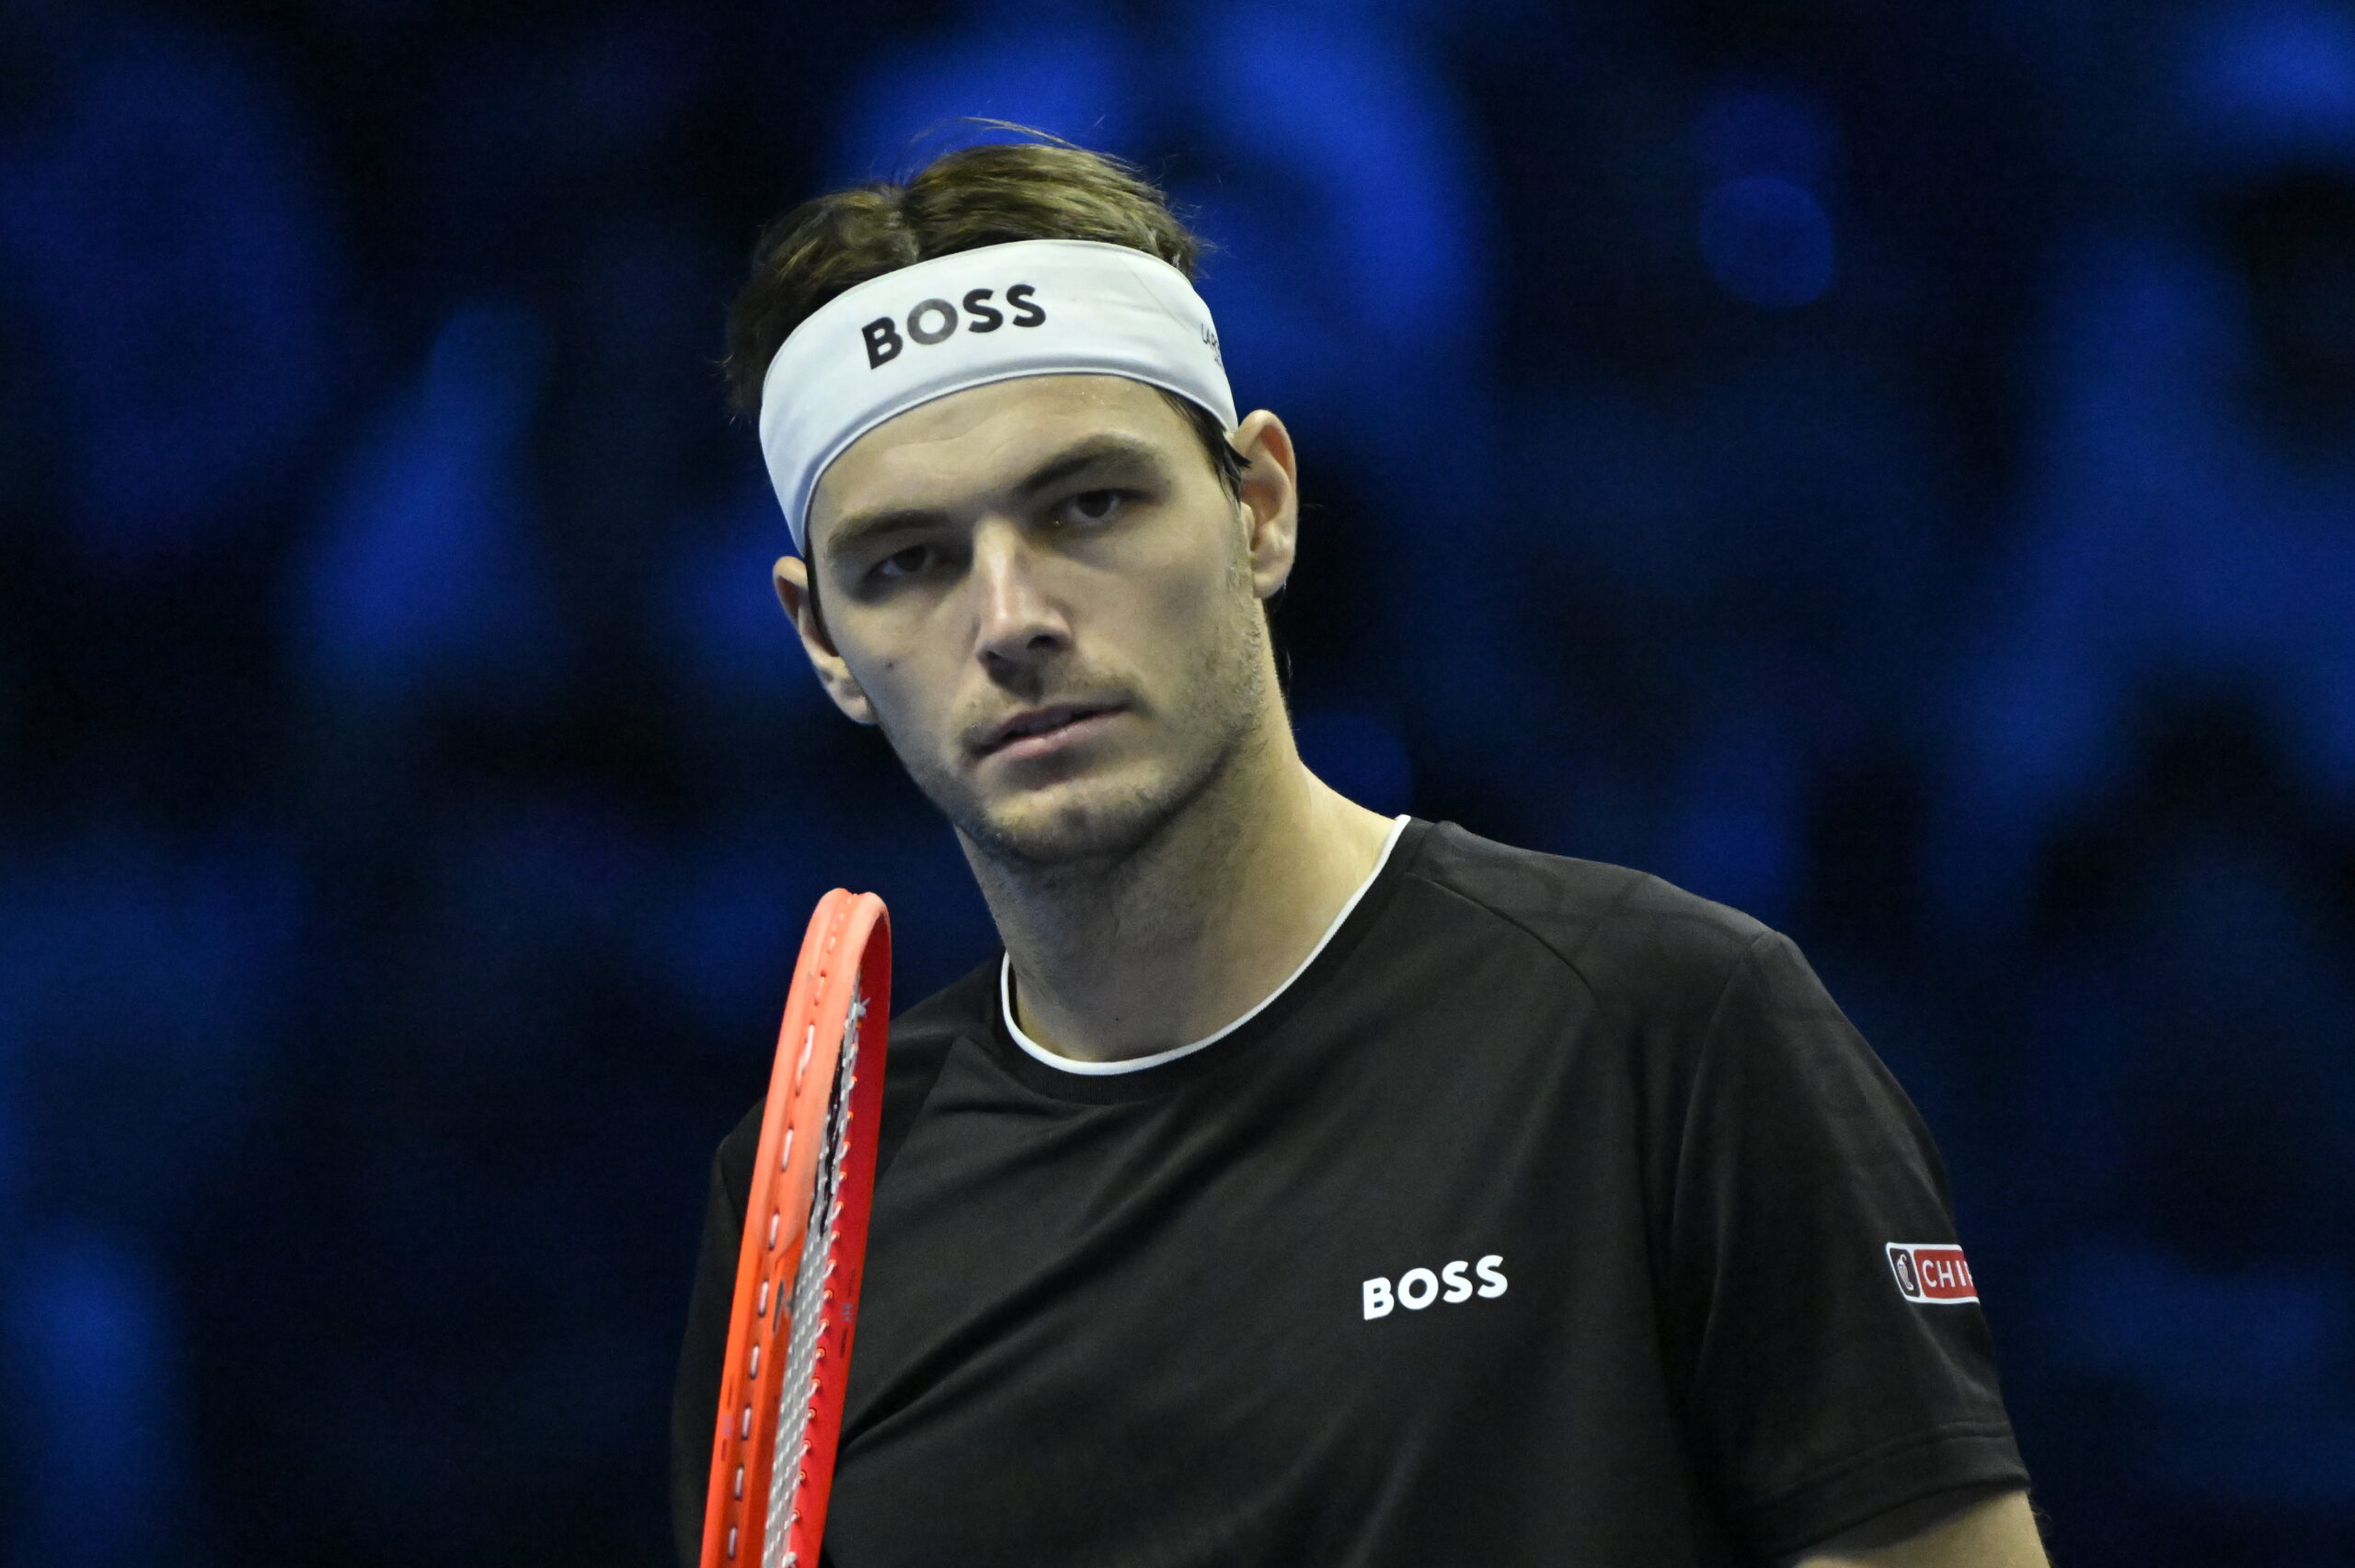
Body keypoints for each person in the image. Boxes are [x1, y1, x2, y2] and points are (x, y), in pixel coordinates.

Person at [672, 134, 2046, 1567]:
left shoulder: (1668, 1026)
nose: (1011, 616)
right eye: (908, 561)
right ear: (823, 639)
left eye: (1090, 504)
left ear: (1261, 506)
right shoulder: (811, 1195)